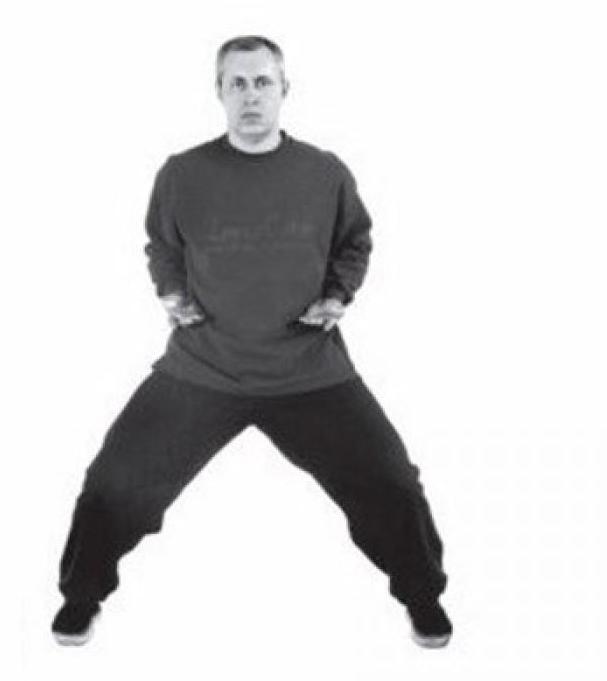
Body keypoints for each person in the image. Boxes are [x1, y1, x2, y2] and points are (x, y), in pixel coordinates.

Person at [51, 35, 452, 649]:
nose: (251, 96)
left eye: (263, 82)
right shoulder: (182, 173)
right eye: (236, 83)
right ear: (219, 92)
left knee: (393, 484)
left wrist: (338, 295)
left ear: (285, 90)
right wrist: (170, 292)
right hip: (203, 370)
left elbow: (355, 242)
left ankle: (423, 597)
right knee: (112, 484)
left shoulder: (324, 172)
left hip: (308, 371)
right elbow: (163, 245)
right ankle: (81, 598)